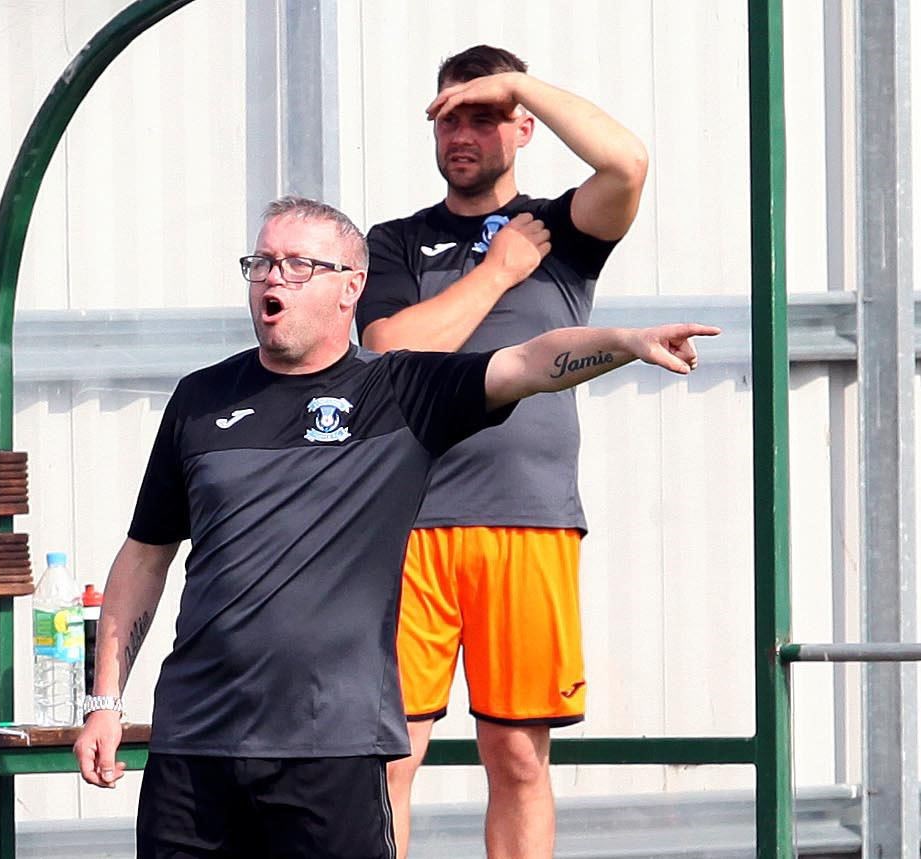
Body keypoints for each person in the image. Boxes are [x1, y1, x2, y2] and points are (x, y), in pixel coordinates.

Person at [73, 195, 714, 859]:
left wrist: (623, 343)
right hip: (194, 746)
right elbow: (145, 555)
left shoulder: (400, 391)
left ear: (350, 285)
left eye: (296, 265)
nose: (271, 278)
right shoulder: (201, 398)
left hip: (333, 746)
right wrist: (103, 702)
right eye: (261, 262)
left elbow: (530, 360)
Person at [355, 46, 650, 857]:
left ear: (523, 125)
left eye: (484, 114)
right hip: (407, 524)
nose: (463, 132)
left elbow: (626, 161)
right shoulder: (396, 242)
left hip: (528, 520)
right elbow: (387, 349)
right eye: (449, 115)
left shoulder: (562, 229)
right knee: (389, 756)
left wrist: (518, 83)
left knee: (517, 754)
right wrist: (494, 272)